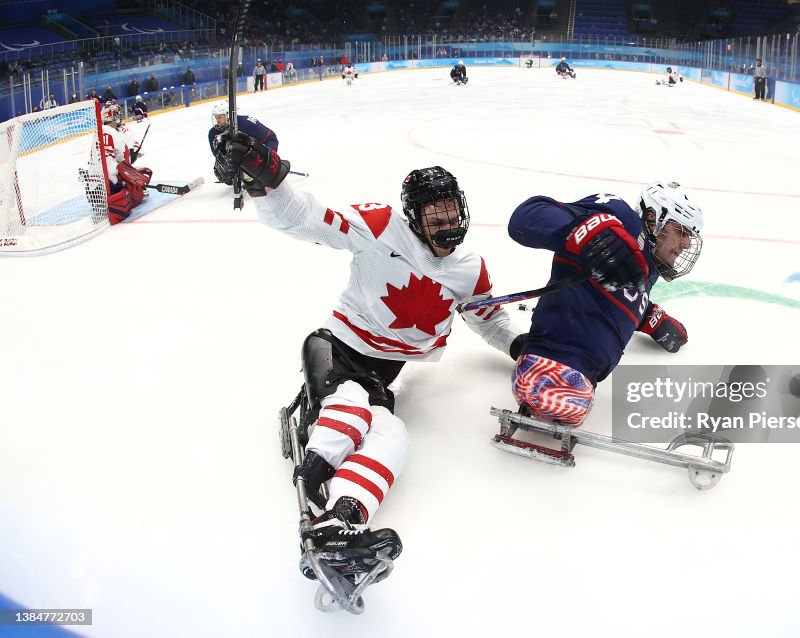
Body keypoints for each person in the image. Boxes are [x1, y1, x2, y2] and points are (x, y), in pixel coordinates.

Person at [214, 131, 520, 588]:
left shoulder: (468, 269)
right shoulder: (380, 226)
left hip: (382, 375)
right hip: (336, 349)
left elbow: (490, 320)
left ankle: (341, 520)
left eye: (453, 211)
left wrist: (521, 347)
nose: (448, 224)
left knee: (393, 432)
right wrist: (269, 179)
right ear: (413, 218)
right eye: (435, 216)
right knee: (354, 401)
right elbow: (305, 219)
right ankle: (316, 465)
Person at [506, 181, 702, 428]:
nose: (685, 244)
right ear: (653, 219)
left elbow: (614, 296)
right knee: (567, 399)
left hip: (584, 376)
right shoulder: (620, 218)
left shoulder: (645, 268)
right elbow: (527, 216)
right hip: (554, 368)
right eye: (681, 231)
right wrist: (590, 233)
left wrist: (654, 319)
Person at [207, 100, 278, 184]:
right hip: (238, 162)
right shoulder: (213, 133)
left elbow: (271, 138)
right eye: (216, 117)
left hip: (255, 159)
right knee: (224, 172)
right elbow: (217, 155)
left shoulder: (246, 123)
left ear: (228, 115)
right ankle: (241, 176)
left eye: (219, 117)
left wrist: (269, 159)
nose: (217, 120)